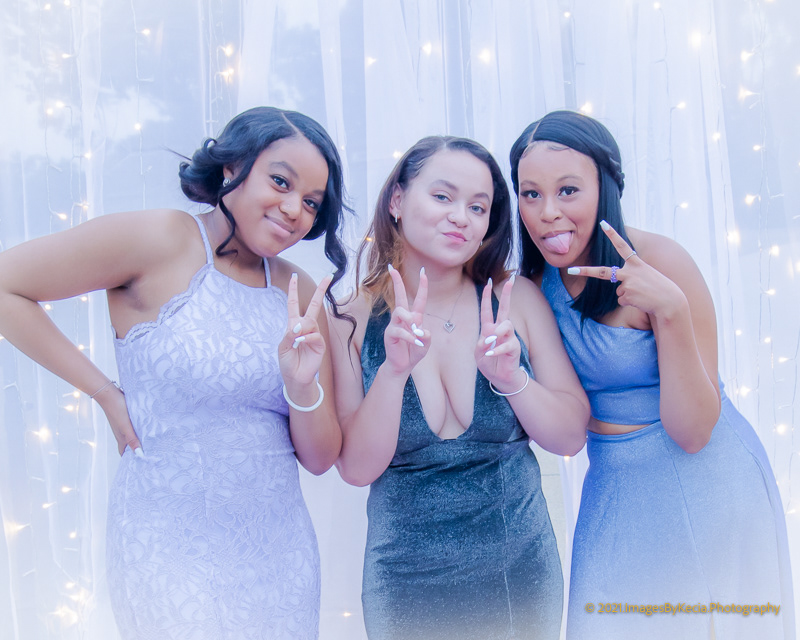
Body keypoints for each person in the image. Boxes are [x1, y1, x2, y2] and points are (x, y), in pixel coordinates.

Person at [0, 106, 348, 639]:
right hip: (166, 545)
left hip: (280, 557)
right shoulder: (160, 238)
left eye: (311, 202)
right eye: (281, 181)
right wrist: (104, 392)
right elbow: (7, 286)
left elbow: (321, 460)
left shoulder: (300, 293)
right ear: (232, 167)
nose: (293, 209)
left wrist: (302, 385)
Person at [510, 110, 795, 640]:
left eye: (568, 190)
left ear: (606, 188)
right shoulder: (530, 284)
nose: (548, 212)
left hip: (708, 483)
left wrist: (672, 312)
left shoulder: (662, 259)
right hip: (615, 488)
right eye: (531, 194)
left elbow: (694, 432)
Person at [328, 135, 590, 640]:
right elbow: (356, 469)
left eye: (478, 207)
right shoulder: (348, 318)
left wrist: (512, 380)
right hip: (405, 583)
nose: (460, 218)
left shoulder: (517, 299)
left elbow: (570, 437)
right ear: (398, 200)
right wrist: (393, 373)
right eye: (443, 197)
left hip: (519, 576)